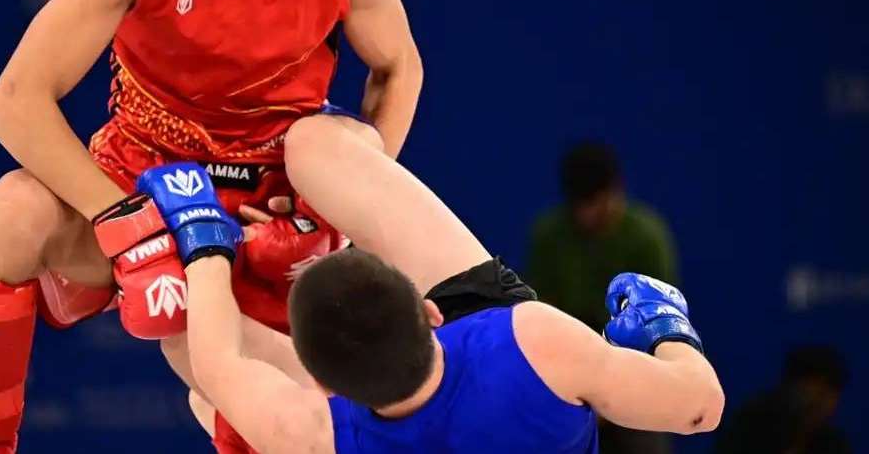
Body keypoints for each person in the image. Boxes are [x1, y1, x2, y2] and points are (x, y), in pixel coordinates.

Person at [0, 0, 424, 452]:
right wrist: (124, 217)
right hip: (135, 190)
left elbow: (399, 68)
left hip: (261, 218)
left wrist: (349, 211)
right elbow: (13, 103)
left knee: (290, 427)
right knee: (10, 217)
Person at [140, 115, 724, 453]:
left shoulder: (315, 431)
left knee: (195, 367)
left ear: (321, 383)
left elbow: (213, 361)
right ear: (431, 312)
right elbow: (701, 408)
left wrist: (203, 242)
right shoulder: (535, 341)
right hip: (507, 374)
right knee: (318, 148)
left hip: (466, 386)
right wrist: (667, 328)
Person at [527, 142, 682, 453]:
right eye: (581, 205)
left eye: (597, 203)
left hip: (636, 373)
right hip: (570, 370)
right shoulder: (549, 236)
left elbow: (659, 328)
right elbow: (540, 314)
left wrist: (612, 393)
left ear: (617, 190)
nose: (588, 216)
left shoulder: (647, 238)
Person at [714, 345, 851, 454]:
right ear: (790, 386)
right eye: (812, 389)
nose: (820, 401)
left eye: (829, 392)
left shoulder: (833, 444)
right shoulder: (750, 428)